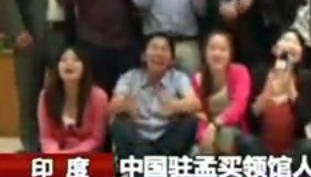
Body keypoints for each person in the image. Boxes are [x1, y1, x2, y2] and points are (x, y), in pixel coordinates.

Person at [4, 0, 68, 151]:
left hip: (62, 34)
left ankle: (59, 144)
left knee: (62, 93)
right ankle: (31, 148)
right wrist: (17, 30)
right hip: (29, 36)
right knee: (29, 94)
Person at [109, 33, 201, 162]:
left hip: (168, 140)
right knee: (119, 123)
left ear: (172, 60)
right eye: (154, 48)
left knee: (191, 120)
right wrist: (125, 104)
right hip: (137, 140)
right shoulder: (130, 77)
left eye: (164, 49)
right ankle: (153, 162)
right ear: (143, 56)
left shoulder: (179, 78)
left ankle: (153, 162)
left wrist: (175, 106)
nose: (158, 53)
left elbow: (195, 103)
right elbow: (112, 106)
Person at [240, 30, 311, 168]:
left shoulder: (306, 78)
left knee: (309, 147)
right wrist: (266, 93)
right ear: (274, 49)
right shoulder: (260, 73)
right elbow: (250, 118)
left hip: (292, 148)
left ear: (301, 54)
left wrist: (292, 91)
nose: (289, 45)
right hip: (263, 146)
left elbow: (305, 118)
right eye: (286, 40)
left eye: (295, 43)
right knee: (246, 142)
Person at [38, 46, 108, 153]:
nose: (69, 64)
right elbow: (47, 137)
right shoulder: (46, 96)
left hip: (88, 155)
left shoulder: (98, 96)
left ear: (85, 66)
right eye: (63, 60)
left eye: (75, 60)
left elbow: (96, 139)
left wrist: (69, 154)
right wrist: (55, 154)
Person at [192, 31, 251, 154]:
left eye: (223, 49)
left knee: (226, 135)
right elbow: (199, 114)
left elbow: (239, 106)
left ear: (230, 53)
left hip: (234, 130)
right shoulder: (198, 79)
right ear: (205, 52)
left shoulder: (240, 72)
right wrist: (205, 135)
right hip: (208, 132)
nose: (217, 53)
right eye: (212, 49)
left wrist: (216, 124)